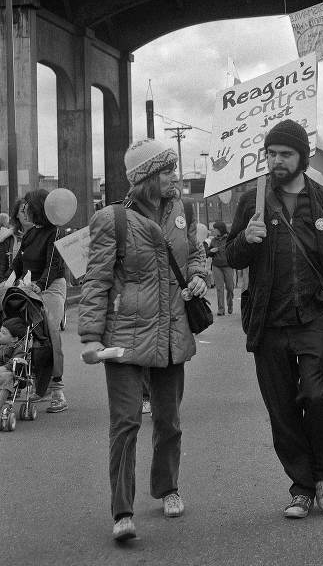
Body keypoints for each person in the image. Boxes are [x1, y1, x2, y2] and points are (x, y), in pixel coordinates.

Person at [79, 139, 208, 542]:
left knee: (169, 421)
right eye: (167, 170)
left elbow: (196, 255)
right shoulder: (112, 220)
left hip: (171, 333)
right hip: (124, 336)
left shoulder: (184, 212)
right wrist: (89, 336)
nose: (174, 176)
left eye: (173, 168)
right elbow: (96, 280)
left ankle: (168, 487)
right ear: (146, 178)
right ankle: (122, 511)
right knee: (126, 423)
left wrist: (201, 273)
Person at [225, 119, 323, 520]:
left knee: (316, 398)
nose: (276, 161)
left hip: (314, 317)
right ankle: (300, 486)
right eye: (271, 154)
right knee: (281, 408)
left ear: (302, 157)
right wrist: (246, 239)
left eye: (285, 154)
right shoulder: (252, 201)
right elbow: (229, 257)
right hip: (268, 319)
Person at [10, 189, 68, 412]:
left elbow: (52, 264)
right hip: (29, 287)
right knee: (27, 336)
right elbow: (19, 262)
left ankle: (58, 391)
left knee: (49, 335)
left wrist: (40, 285)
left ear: (39, 208)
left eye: (28, 206)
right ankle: (36, 384)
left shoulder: (55, 233)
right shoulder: (32, 233)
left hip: (50, 288)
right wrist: (6, 281)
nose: (25, 210)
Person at [207, 221, 234, 315]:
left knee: (230, 287)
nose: (213, 230)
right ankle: (221, 309)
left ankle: (230, 304)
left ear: (220, 229)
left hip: (228, 265)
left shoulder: (229, 238)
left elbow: (234, 249)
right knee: (219, 288)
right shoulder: (213, 240)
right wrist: (211, 251)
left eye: (214, 229)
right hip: (216, 266)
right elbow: (207, 253)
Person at [0, 317, 27, 409]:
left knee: (7, 377)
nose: (0, 334)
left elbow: (15, 362)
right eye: (0, 331)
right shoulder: (1, 346)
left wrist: (3, 368)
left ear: (14, 339)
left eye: (3, 333)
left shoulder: (19, 348)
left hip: (13, 375)